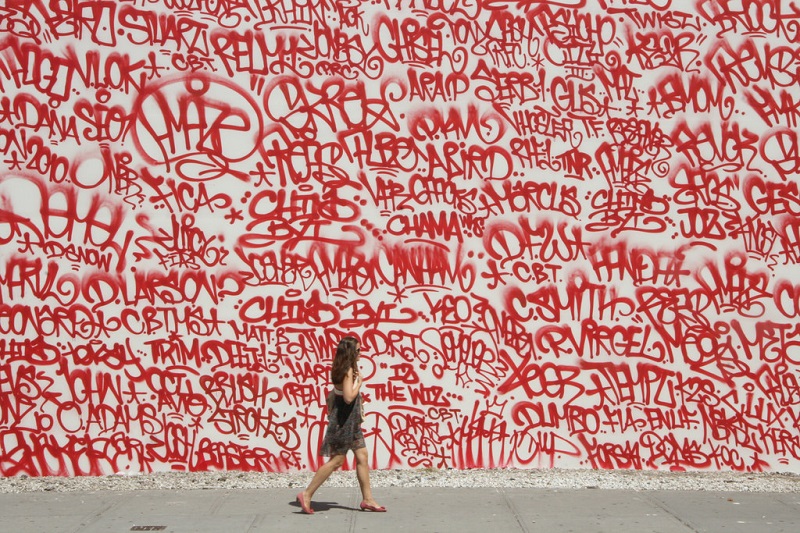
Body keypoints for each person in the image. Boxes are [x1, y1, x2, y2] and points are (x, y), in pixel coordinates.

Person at [297, 336, 386, 514]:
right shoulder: (347, 369)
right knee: (337, 460)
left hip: (350, 421)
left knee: (362, 456)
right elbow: (348, 397)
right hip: (344, 422)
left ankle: (367, 499)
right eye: (358, 350)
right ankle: (306, 494)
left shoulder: (340, 367)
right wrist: (359, 382)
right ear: (350, 352)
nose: (361, 353)